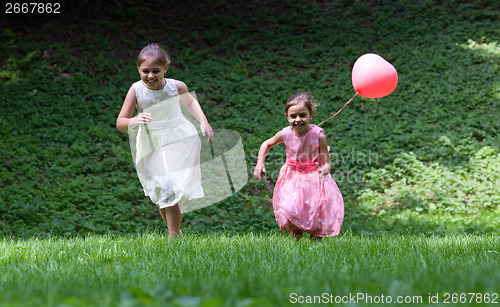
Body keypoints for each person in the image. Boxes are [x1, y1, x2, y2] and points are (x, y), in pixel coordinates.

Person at [117, 43, 213, 239]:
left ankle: (173, 237)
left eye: (156, 71)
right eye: (145, 71)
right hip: (151, 142)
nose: (150, 76)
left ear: (165, 69)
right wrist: (135, 120)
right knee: (163, 190)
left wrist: (203, 121)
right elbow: (121, 122)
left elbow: (190, 102)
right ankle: (176, 234)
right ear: (138, 69)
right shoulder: (135, 90)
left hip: (180, 137)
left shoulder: (176, 86)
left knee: (170, 186)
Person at [253, 93, 344, 240]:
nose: (298, 120)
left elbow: (326, 161)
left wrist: (325, 169)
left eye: (302, 115)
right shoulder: (286, 133)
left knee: (315, 209)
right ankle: (296, 235)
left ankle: (316, 241)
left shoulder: (318, 135)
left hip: (313, 176)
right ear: (287, 116)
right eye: (293, 116)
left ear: (311, 114)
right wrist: (259, 163)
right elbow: (266, 144)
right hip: (291, 175)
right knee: (290, 206)